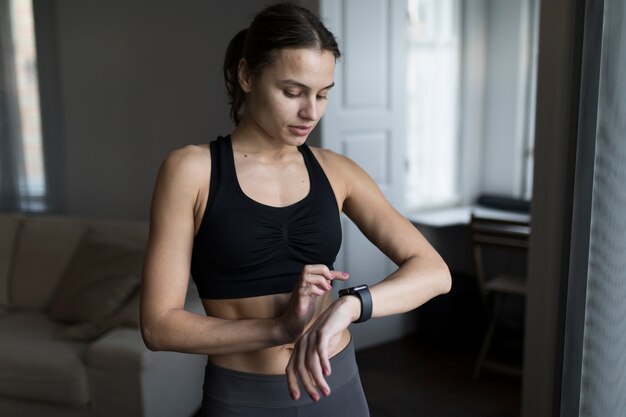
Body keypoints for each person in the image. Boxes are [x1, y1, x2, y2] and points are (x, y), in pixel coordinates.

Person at [140, 3, 451, 416]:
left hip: (338, 387)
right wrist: (278, 328)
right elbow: (158, 325)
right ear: (247, 75)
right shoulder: (191, 171)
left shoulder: (337, 171)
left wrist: (349, 306)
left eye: (322, 94)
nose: (311, 112)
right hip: (243, 398)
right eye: (292, 92)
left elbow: (435, 272)